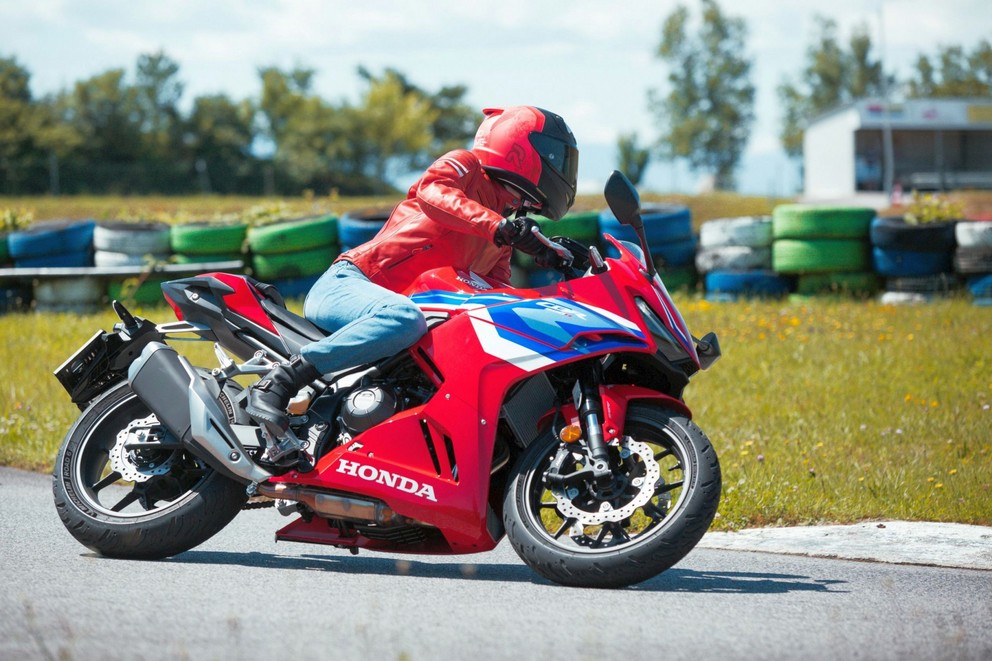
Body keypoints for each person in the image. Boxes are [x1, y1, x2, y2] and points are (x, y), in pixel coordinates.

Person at [246, 106, 579, 435]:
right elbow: (433, 193)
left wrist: (547, 278)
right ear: (521, 146)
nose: (561, 168)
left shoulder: (501, 233)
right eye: (555, 156)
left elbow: (493, 294)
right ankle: (281, 380)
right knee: (403, 318)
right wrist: (498, 226)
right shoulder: (466, 165)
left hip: (401, 314)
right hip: (349, 283)